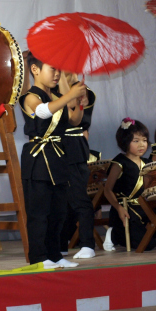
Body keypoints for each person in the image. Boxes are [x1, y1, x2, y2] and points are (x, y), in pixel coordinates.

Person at [20, 52, 87, 268]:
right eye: (52, 69)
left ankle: (55, 255)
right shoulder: (30, 96)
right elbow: (41, 112)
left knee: (59, 212)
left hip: (58, 156)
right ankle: (39, 258)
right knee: (39, 213)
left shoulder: (56, 96)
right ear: (35, 70)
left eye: (59, 69)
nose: (57, 73)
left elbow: (74, 121)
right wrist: (69, 96)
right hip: (38, 159)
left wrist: (79, 103)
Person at [58, 73, 97, 259]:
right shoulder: (50, 89)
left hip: (74, 148)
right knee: (62, 200)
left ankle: (88, 244)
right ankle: (61, 243)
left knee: (79, 198)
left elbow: (71, 105)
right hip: (56, 148)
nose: (58, 71)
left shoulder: (83, 90)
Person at [103, 118, 156, 252]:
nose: (141, 145)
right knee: (147, 244)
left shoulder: (147, 163)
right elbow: (107, 190)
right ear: (125, 142)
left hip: (144, 208)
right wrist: (118, 208)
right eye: (136, 141)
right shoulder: (119, 162)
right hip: (125, 210)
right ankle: (114, 234)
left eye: (144, 140)